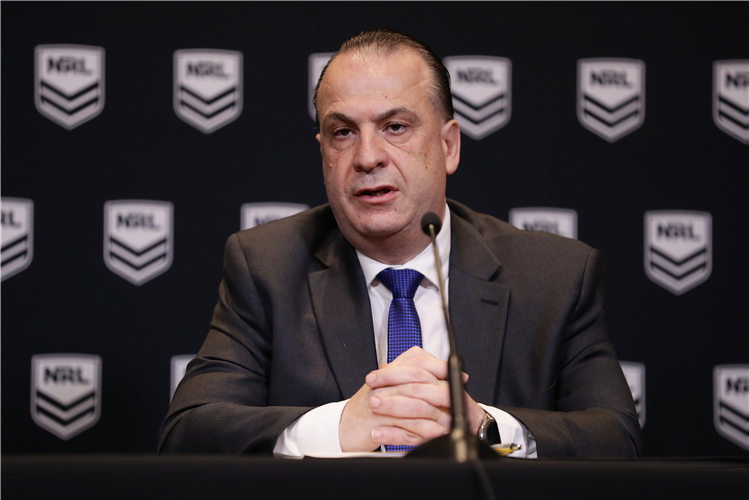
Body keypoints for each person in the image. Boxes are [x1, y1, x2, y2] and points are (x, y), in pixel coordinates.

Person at [158, 29, 641, 458]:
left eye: (395, 127)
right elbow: (188, 430)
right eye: (342, 132)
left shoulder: (555, 276)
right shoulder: (266, 266)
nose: (367, 157)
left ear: (449, 145)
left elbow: (615, 436)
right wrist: (340, 426)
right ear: (323, 152)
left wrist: (487, 428)